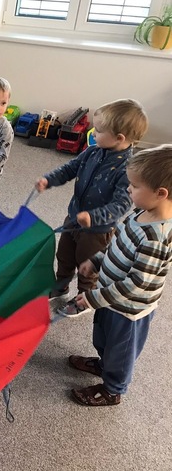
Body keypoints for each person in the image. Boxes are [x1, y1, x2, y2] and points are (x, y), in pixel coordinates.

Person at [60, 145, 172, 406]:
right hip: (109, 297)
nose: (128, 189)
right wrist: (96, 261)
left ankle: (113, 389)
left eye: (135, 186)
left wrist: (93, 298)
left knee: (120, 351)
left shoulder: (156, 239)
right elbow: (116, 245)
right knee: (103, 338)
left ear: (160, 193)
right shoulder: (140, 213)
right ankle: (103, 364)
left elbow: (135, 284)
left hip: (128, 309)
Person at [35, 99, 148, 300]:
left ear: (119, 138)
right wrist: (49, 180)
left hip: (97, 230)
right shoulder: (92, 151)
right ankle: (61, 287)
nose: (93, 133)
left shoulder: (128, 169)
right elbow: (70, 168)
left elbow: (122, 204)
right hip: (74, 217)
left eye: (99, 131)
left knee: (87, 266)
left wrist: (93, 217)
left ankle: (84, 297)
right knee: (64, 256)